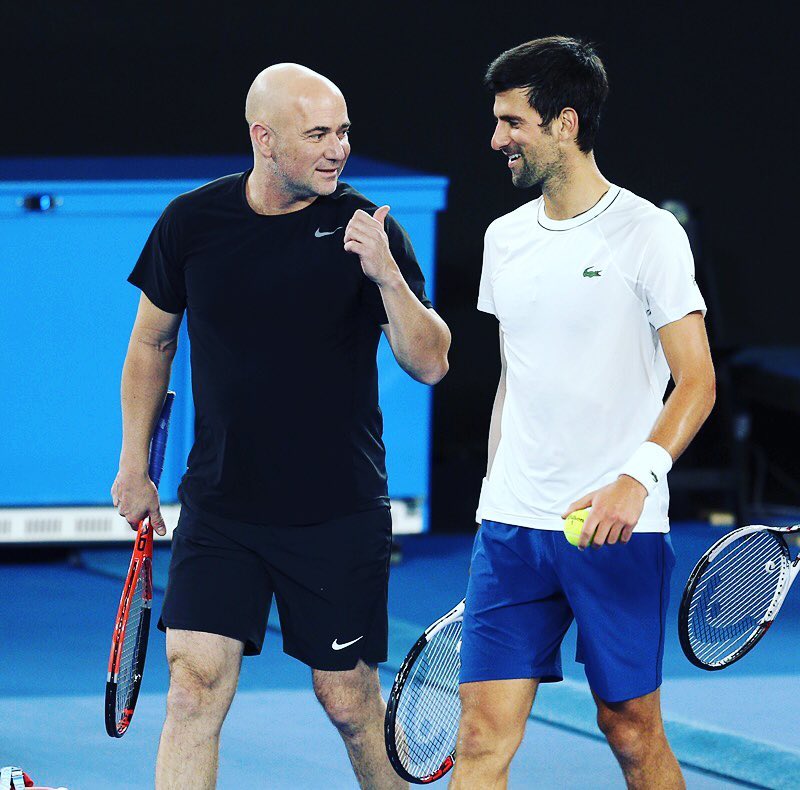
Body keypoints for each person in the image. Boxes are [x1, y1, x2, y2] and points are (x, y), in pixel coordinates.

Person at [111, 63, 450, 789]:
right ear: (264, 139)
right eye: (320, 134)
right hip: (221, 506)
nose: (340, 148)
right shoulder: (191, 222)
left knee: (350, 700)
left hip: (335, 513)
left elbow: (431, 363)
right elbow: (151, 343)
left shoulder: (369, 229)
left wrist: (387, 275)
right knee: (194, 685)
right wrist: (133, 464)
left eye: (345, 132)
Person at [450, 37, 715, 789]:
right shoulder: (504, 239)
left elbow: (696, 382)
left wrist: (635, 478)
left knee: (631, 732)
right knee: (478, 738)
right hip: (511, 529)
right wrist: (493, 501)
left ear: (564, 123)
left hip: (616, 527)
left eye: (512, 123)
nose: (496, 138)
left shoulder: (650, 234)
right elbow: (515, 377)